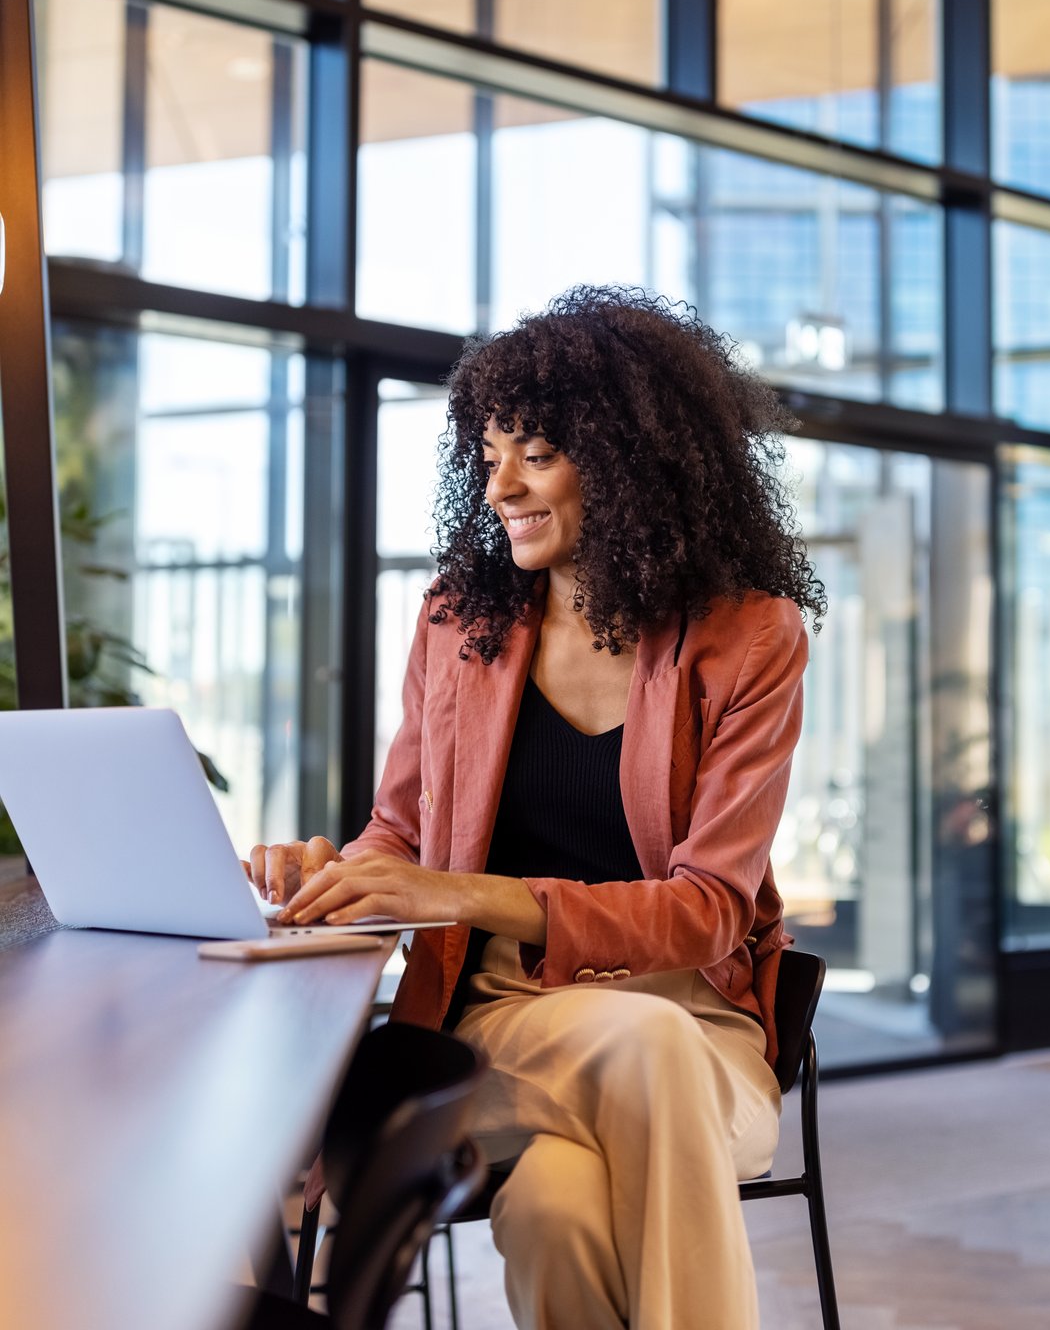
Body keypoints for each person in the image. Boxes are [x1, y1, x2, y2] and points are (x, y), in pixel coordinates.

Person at [249, 286, 826, 1330]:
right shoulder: (457, 623)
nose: (499, 481)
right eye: (488, 451)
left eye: (537, 452)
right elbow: (405, 834)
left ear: (627, 459)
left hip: (693, 1037)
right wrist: (334, 869)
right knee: (613, 1084)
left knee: (561, 1198)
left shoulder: (748, 636)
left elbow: (708, 910)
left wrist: (462, 888)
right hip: (497, 1025)